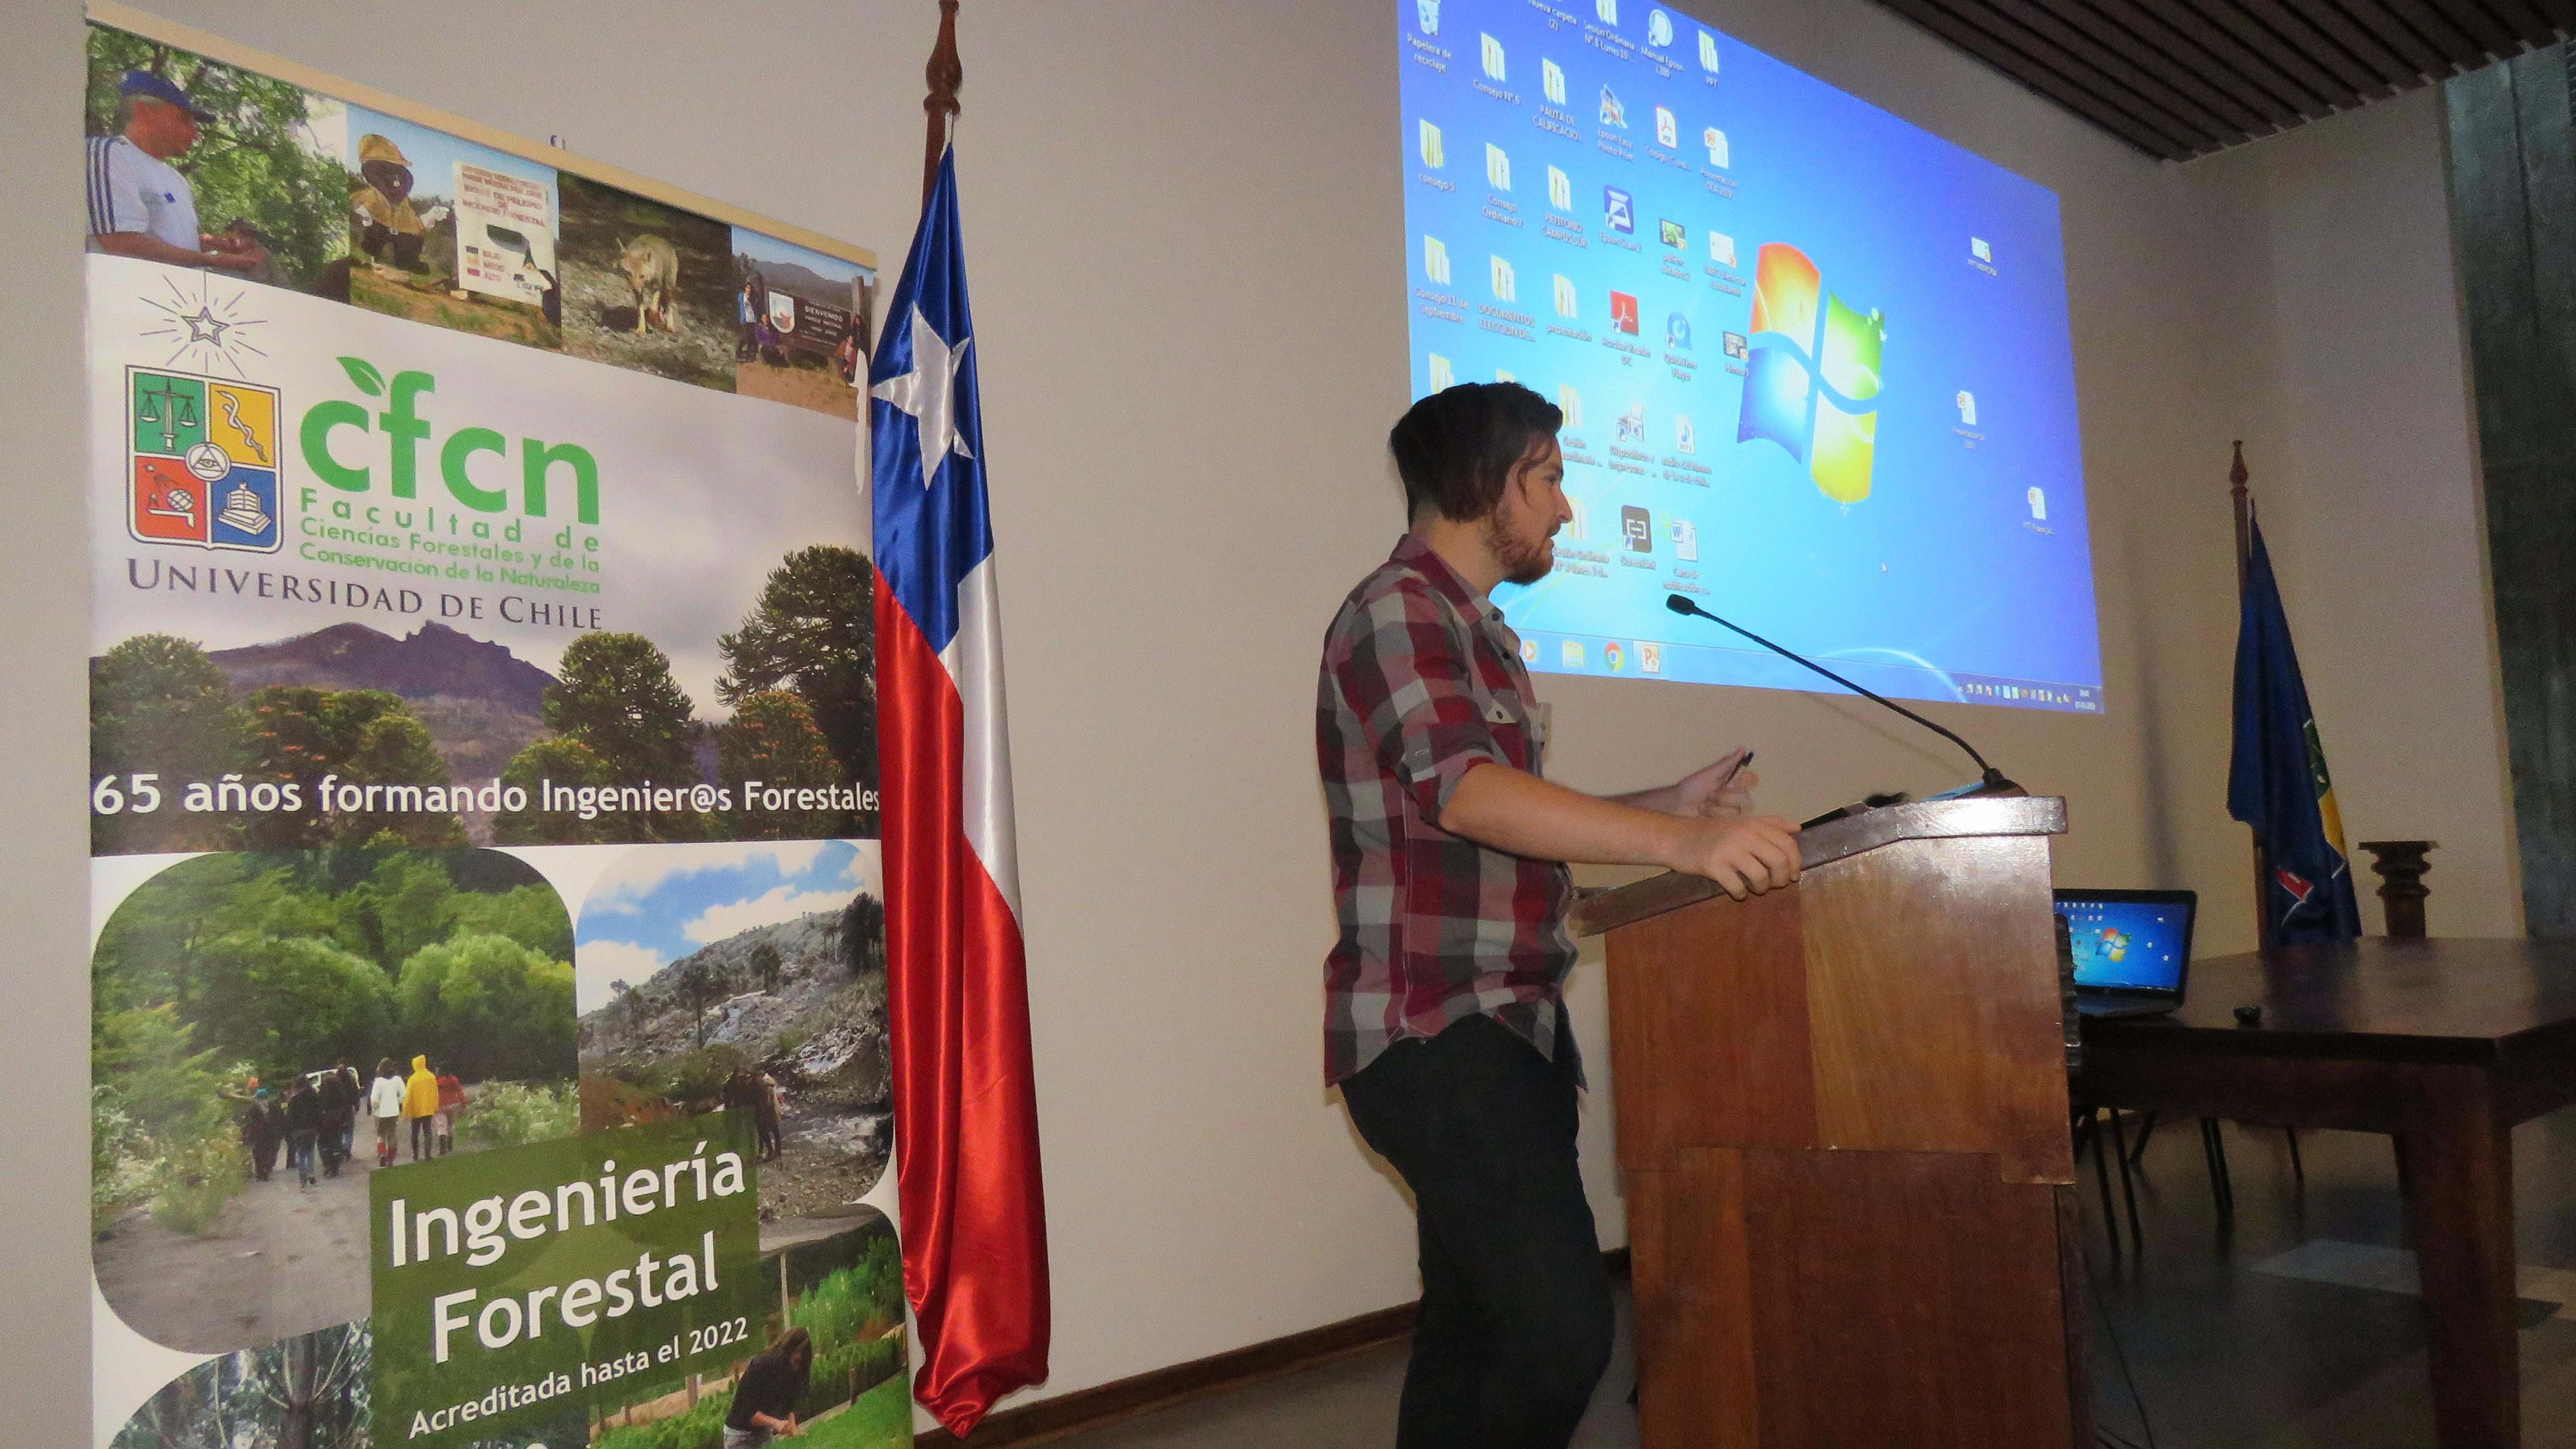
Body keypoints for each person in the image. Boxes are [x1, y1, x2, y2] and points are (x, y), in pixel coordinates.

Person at [1317, 382, 1802, 1448]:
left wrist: (1662, 807)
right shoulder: (1395, 610)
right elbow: (1465, 789)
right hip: (1433, 1028)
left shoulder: (1478, 631)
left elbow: (1490, 815)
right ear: (1480, 483)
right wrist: (1683, 845)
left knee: (1469, 1329)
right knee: (1560, 1329)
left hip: (1511, 1029)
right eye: (1545, 477)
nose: (1566, 508)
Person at [84, 70, 265, 273]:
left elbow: (168, 240)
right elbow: (119, 242)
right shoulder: (107, 153)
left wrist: (215, 245)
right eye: (184, 120)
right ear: (144, 112)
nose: (195, 135)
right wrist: (213, 260)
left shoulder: (176, 179)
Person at [722, 1327, 813, 1445]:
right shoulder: (762, 1365)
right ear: (789, 1351)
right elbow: (749, 1414)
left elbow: (790, 1401)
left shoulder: (792, 1371)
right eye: (796, 1357)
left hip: (762, 1433)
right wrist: (776, 1423)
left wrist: (792, 1426)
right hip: (740, 1434)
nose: (798, 1362)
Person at [282, 1076, 324, 1190]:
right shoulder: (314, 1095)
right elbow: (319, 1111)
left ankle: (302, 1178)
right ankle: (311, 1172)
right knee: (310, 1151)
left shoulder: (294, 1099)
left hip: (298, 1130)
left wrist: (290, 1130)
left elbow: (290, 1116)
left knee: (300, 1154)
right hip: (312, 1128)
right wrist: (318, 1125)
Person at [402, 1055, 441, 1163]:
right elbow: (435, 1093)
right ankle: (428, 1155)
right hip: (428, 1108)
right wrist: (436, 1107)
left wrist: (405, 1112)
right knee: (427, 1131)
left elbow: (408, 1097)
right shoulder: (431, 1076)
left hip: (416, 1110)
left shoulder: (413, 1079)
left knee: (415, 1133)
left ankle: (415, 1155)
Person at [239, 1088, 282, 1183]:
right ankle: (266, 1170)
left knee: (258, 1153)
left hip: (257, 1133)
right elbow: (279, 1120)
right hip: (271, 1133)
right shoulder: (273, 1106)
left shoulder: (253, 1107)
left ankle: (260, 1173)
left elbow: (249, 1121)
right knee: (268, 1152)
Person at [370, 1058, 406, 1169]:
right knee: (392, 1135)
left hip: (381, 1113)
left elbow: (374, 1099)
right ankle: (391, 1159)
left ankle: (382, 1154)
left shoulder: (378, 1082)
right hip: (394, 1111)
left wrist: (375, 1108)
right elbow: (404, 1095)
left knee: (381, 1135)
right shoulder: (398, 1080)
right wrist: (397, 1102)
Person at [434, 1067, 468, 1156]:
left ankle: (442, 1150)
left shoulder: (435, 1081)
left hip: (440, 1105)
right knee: (450, 1125)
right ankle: (450, 1147)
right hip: (453, 1104)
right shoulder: (453, 1079)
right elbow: (459, 1091)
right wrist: (464, 1103)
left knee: (441, 1126)